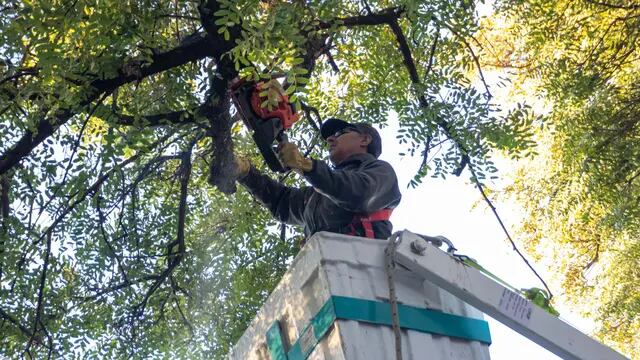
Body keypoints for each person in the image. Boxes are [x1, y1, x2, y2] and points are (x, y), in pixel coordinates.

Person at [235, 118, 401, 240]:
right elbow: (281, 202)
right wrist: (247, 174)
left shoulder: (381, 172)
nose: (330, 139)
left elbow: (359, 193)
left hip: (363, 273)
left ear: (364, 139)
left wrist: (306, 166)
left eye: (340, 133)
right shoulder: (317, 195)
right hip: (327, 274)